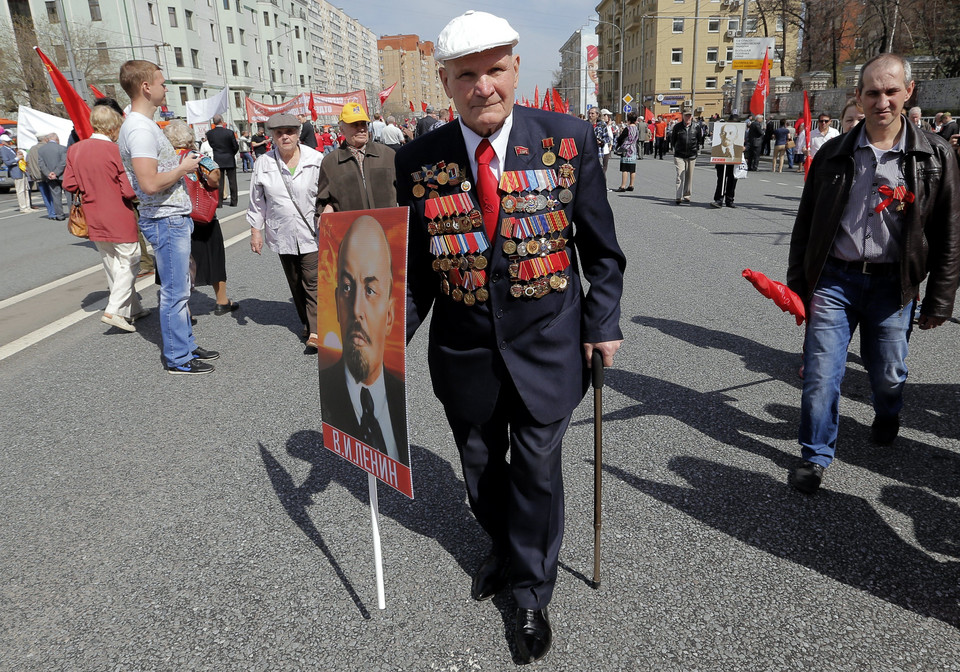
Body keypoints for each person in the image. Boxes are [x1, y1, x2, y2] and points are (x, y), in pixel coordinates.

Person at [396, 11, 625, 664]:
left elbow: (602, 252)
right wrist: (373, 346)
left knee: (535, 470)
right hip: (464, 351)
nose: (484, 87)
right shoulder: (418, 160)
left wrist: (602, 323)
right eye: (466, 75)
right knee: (479, 470)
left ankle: (529, 591)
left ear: (516, 69)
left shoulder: (569, 140)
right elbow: (415, 270)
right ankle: (502, 542)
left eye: (495, 70)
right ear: (446, 82)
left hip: (549, 346)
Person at [786, 53, 960, 495]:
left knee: (888, 374)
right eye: (872, 93)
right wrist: (797, 283)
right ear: (859, 98)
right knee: (821, 373)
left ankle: (888, 412)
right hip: (835, 281)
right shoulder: (833, 153)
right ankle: (815, 454)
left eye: (890, 91)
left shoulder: (935, 155)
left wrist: (940, 298)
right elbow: (805, 223)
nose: (882, 101)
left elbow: (949, 232)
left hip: (893, 284)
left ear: (908, 92)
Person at [118, 59, 217, 375]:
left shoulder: (142, 126)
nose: (166, 88)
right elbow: (148, 182)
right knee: (175, 293)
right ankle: (178, 357)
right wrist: (183, 168)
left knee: (181, 289)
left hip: (169, 216)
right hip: (164, 218)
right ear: (146, 87)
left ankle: (185, 344)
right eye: (162, 82)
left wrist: (176, 163)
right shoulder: (139, 128)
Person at [319, 214, 408, 465]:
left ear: (390, 315)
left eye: (370, 290)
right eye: (347, 287)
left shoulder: (399, 396)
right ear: (337, 304)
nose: (357, 308)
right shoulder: (328, 400)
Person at [63, 105, 147, 332]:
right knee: (131, 258)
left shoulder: (75, 150)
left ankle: (133, 309)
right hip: (117, 212)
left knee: (111, 263)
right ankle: (115, 309)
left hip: (93, 213)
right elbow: (128, 191)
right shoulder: (115, 151)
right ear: (113, 127)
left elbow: (69, 184)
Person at [247, 113, 324, 350]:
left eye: (290, 132)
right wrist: (255, 231)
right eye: (279, 133)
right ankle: (307, 321)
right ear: (272, 136)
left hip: (311, 230)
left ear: (298, 133)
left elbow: (327, 194)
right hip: (281, 231)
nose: (285, 137)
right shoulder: (264, 163)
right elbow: (256, 200)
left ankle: (316, 331)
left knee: (312, 280)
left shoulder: (316, 158)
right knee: (295, 280)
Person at [163, 120, 240, 316]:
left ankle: (184, 309)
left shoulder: (164, 159)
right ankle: (222, 300)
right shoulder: (195, 156)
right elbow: (214, 175)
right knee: (214, 256)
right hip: (201, 216)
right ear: (188, 138)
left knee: (181, 262)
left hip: (173, 215)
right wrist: (210, 184)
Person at [316, 102, 397, 214]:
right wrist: (327, 210)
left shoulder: (388, 155)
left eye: (363, 124)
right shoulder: (330, 162)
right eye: (355, 125)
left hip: (387, 227)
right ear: (342, 130)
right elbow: (323, 200)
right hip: (351, 229)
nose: (361, 129)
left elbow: (403, 192)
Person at [206, 115, 239, 208]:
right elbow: (235, 146)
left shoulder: (210, 133)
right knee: (232, 182)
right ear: (222, 121)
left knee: (219, 182)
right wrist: (231, 153)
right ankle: (234, 201)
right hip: (229, 158)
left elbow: (212, 145)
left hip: (218, 159)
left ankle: (219, 202)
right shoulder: (229, 132)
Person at [672, 108, 703, 204]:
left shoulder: (696, 127)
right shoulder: (677, 127)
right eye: (686, 115)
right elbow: (673, 140)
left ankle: (687, 195)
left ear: (692, 116)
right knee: (680, 175)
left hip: (692, 154)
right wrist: (675, 149)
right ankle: (678, 196)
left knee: (689, 176)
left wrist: (697, 149)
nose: (688, 117)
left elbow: (700, 139)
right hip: (679, 155)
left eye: (690, 115)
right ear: (683, 116)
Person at [1, 133, 36, 213]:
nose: (10, 142)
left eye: (9, 141)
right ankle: (23, 207)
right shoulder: (3, 149)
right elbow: (7, 162)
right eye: (7, 141)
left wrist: (18, 155)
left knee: (26, 189)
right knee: (20, 190)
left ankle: (28, 206)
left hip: (21, 169)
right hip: (16, 171)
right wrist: (17, 158)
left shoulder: (10, 148)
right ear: (3, 142)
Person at [36, 134, 68, 220]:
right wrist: (56, 173)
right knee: (69, 195)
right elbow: (63, 162)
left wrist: (48, 173)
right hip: (63, 175)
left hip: (50, 176)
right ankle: (73, 213)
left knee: (56, 196)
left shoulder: (41, 150)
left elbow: (41, 164)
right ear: (57, 139)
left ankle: (59, 215)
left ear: (47, 140)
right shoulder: (62, 148)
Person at [613, 112, 639, 192]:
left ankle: (623, 186)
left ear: (628, 120)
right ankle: (631, 185)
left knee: (624, 169)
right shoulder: (636, 129)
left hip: (626, 150)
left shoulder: (627, 128)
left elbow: (620, 138)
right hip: (633, 149)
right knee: (632, 169)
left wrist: (618, 145)